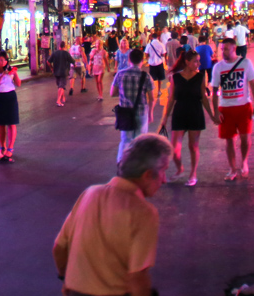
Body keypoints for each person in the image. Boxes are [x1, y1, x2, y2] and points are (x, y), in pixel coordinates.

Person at [53, 134, 168, 296]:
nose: (164, 180)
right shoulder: (144, 213)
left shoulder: (89, 194)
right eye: (164, 171)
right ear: (147, 175)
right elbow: (137, 278)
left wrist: (66, 279)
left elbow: (59, 248)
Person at [163, 49, 214, 186]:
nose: (198, 63)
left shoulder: (200, 77)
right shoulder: (175, 77)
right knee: (174, 148)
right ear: (187, 62)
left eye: (199, 61)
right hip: (179, 112)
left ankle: (193, 174)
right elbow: (171, 97)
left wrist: (212, 115)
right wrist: (165, 117)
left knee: (193, 146)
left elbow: (203, 98)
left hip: (195, 112)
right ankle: (180, 169)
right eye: (195, 61)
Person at [211, 36, 254, 181]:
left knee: (245, 138)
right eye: (221, 49)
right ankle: (232, 169)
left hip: (243, 106)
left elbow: (253, 84)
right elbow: (214, 91)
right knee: (229, 140)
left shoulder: (245, 63)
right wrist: (215, 111)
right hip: (225, 108)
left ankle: (244, 161)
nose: (223, 52)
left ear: (234, 48)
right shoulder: (218, 67)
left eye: (225, 49)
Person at [112, 48, 154, 170]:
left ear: (129, 60)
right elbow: (152, 97)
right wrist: (151, 112)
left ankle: (121, 163)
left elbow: (112, 93)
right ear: (142, 60)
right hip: (141, 112)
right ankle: (139, 166)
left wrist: (123, 93)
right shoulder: (146, 76)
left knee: (125, 139)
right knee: (140, 140)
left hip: (125, 112)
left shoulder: (120, 74)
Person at [0, 51, 21, 161]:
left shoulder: (11, 70)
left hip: (10, 96)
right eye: (0, 59)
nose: (3, 62)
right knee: (1, 124)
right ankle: (2, 146)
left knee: (11, 123)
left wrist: (14, 74)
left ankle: (10, 148)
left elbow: (18, 84)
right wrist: (4, 74)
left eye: (4, 60)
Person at [143, 29, 167, 123]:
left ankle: (152, 91)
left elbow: (146, 54)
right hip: (160, 62)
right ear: (158, 37)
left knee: (152, 78)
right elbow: (164, 53)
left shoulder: (149, 45)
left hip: (152, 63)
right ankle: (159, 90)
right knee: (160, 78)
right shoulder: (161, 44)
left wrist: (149, 59)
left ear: (152, 37)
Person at [49, 39, 73, 107]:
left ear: (59, 46)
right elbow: (72, 61)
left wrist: (51, 68)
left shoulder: (55, 53)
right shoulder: (66, 53)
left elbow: (48, 62)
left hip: (56, 72)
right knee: (61, 86)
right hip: (64, 72)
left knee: (60, 86)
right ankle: (58, 100)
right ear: (64, 46)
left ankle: (63, 98)